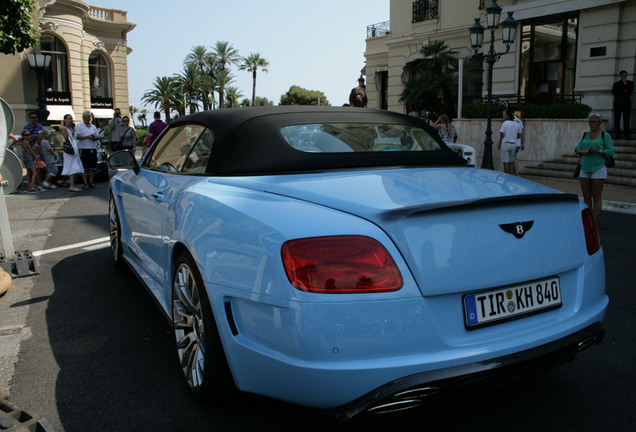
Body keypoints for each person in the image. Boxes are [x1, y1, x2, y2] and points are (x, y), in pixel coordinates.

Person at [575, 112, 615, 219]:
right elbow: (577, 149)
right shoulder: (586, 135)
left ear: (599, 123)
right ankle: (588, 220)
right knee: (586, 196)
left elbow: (611, 152)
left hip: (598, 167)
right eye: (590, 121)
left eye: (595, 121)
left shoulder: (604, 135)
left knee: (596, 196)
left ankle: (593, 221)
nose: (592, 123)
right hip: (585, 167)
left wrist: (599, 151)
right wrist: (584, 151)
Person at [75, 110, 101, 189]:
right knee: (84, 167)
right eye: (85, 117)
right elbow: (78, 137)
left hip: (92, 148)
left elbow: (97, 136)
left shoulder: (93, 126)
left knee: (92, 167)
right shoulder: (79, 126)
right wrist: (87, 137)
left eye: (88, 117)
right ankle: (85, 183)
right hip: (83, 149)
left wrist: (94, 138)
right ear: (83, 118)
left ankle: (91, 182)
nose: (87, 118)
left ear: (91, 118)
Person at [60, 113, 84, 192]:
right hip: (69, 151)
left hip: (74, 150)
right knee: (71, 167)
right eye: (69, 118)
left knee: (74, 166)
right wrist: (72, 132)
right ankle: (72, 185)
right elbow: (67, 138)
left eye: (71, 118)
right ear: (65, 120)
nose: (70, 120)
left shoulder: (71, 128)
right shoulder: (64, 129)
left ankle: (73, 184)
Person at [498, 108, 522, 175]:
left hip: (505, 143)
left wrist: (499, 143)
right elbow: (519, 135)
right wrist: (513, 136)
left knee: (505, 161)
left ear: (508, 116)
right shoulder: (517, 124)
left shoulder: (505, 123)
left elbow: (501, 134)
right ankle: (511, 174)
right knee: (511, 161)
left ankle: (506, 173)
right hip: (513, 144)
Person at [612, 70, 633, 139]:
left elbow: (629, 92)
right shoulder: (616, 84)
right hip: (618, 103)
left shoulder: (630, 83)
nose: (625, 76)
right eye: (623, 75)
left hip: (626, 103)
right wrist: (624, 90)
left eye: (625, 75)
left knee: (626, 118)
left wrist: (624, 86)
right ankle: (618, 133)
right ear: (620, 76)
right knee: (617, 118)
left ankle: (626, 133)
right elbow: (615, 93)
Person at [511, 111, 524, 176]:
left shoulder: (510, 122)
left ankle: (516, 173)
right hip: (517, 144)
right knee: (513, 159)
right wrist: (522, 143)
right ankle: (514, 173)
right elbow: (522, 133)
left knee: (512, 160)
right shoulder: (519, 121)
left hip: (513, 143)